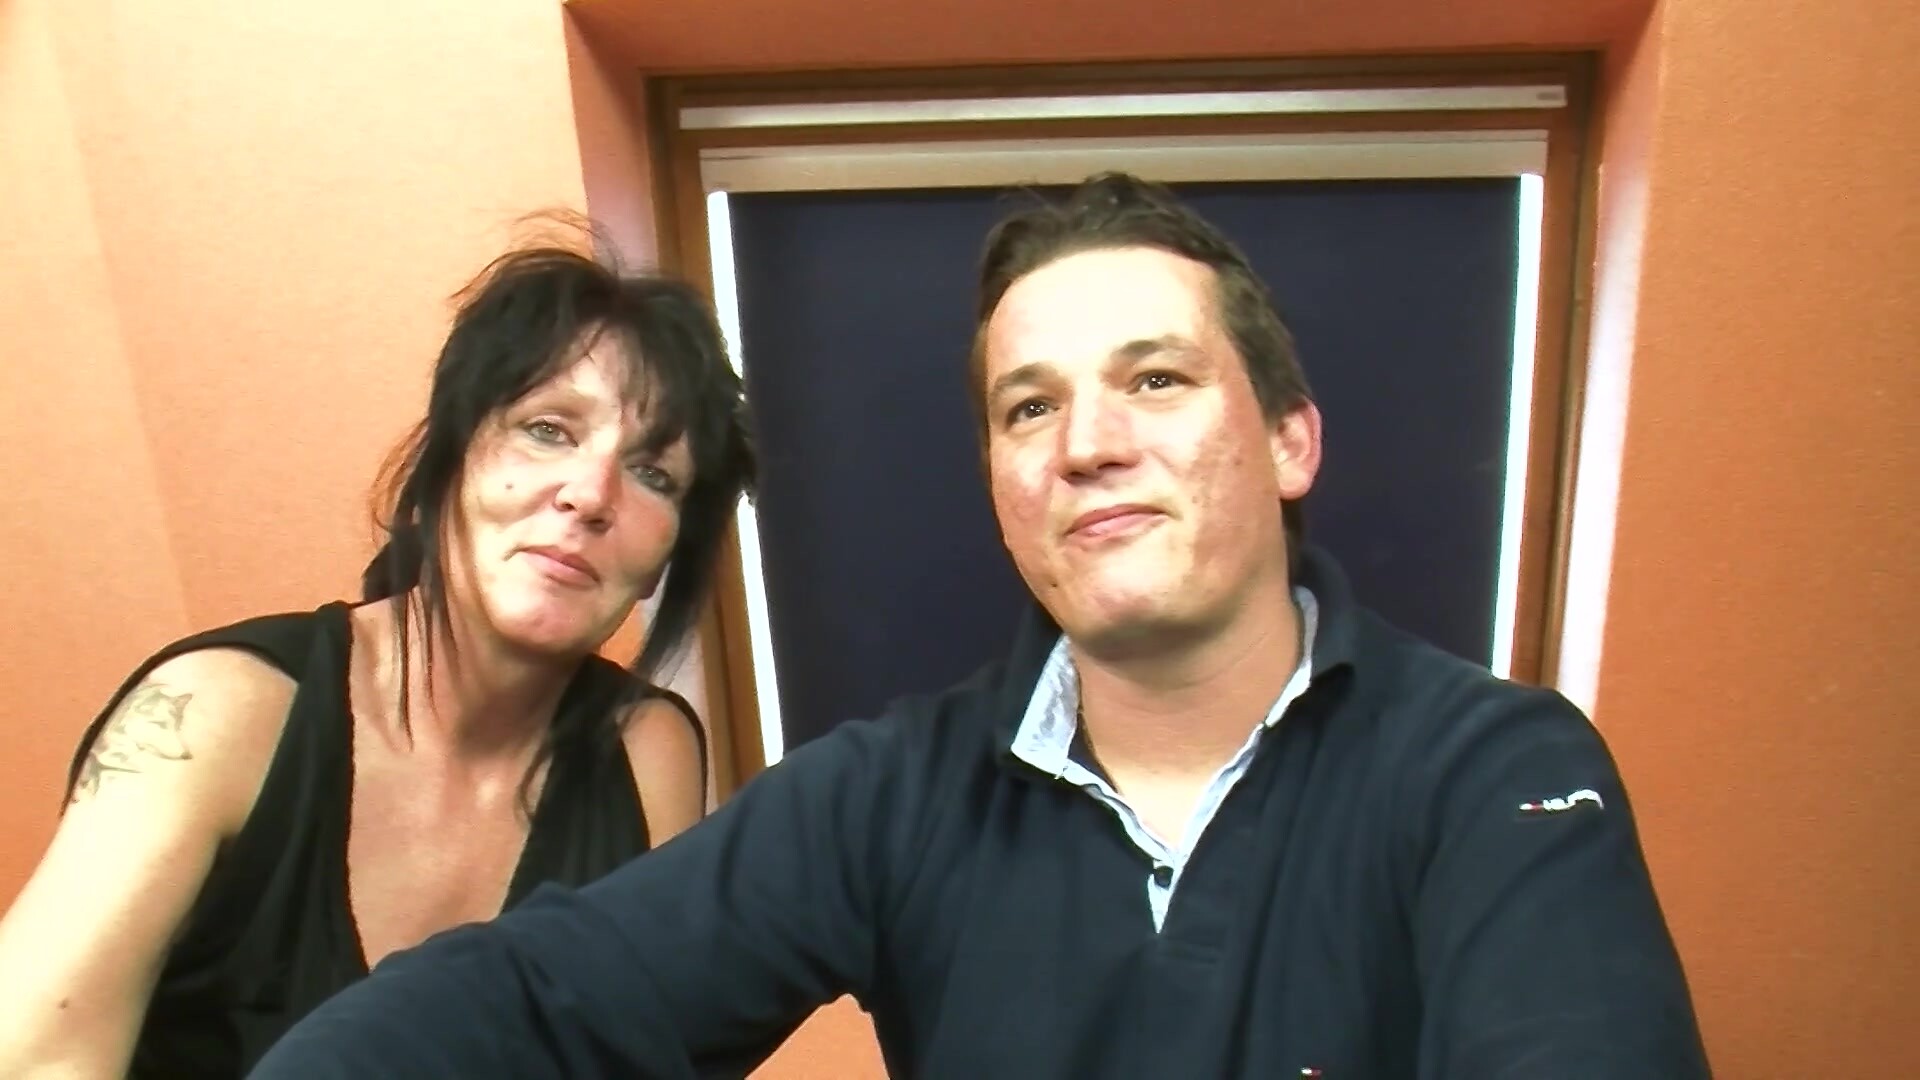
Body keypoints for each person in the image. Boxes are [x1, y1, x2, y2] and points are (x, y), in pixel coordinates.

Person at [250, 174, 1710, 1078]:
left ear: (1288, 440)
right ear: (1002, 487)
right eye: (1029, 407)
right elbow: (543, 997)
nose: (1087, 445)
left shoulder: (1500, 771)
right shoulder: (888, 795)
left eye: (1155, 380)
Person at [0, 236, 755, 1078]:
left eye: (654, 474)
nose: (591, 495)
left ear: (666, 556)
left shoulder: (645, 749)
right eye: (547, 431)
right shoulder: (213, 712)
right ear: (448, 463)